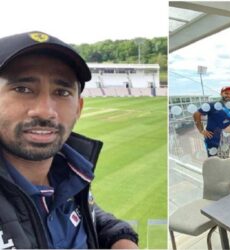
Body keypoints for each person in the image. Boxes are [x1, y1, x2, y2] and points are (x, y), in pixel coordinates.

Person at [0, 31, 138, 249]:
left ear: (78, 109)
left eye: (61, 92)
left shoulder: (68, 171)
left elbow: (86, 211)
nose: (45, 112)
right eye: (23, 89)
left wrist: (120, 238)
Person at [193, 86, 230, 158]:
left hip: (226, 140)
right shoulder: (212, 105)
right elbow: (196, 114)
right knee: (213, 161)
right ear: (221, 94)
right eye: (226, 93)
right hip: (212, 140)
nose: (228, 95)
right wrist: (201, 130)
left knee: (225, 159)